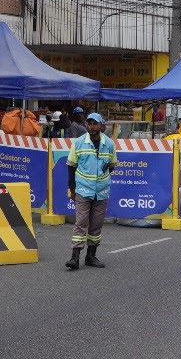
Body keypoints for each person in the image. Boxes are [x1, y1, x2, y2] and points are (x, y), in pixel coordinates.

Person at [65, 113, 117, 270]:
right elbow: (71, 166)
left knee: (96, 225)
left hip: (101, 191)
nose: (92, 127)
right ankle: (75, 257)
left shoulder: (109, 144)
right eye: (90, 124)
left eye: (95, 124)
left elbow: (112, 165)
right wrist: (72, 189)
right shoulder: (79, 143)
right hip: (83, 189)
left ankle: (91, 255)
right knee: (81, 222)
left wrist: (101, 177)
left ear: (102, 126)